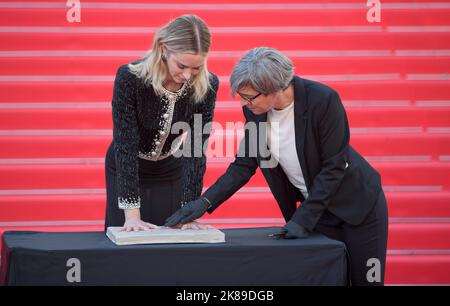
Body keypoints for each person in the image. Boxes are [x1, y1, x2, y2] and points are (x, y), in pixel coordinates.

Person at [165, 47, 389, 286]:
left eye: (249, 97)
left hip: (358, 207)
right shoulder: (255, 111)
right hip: (317, 211)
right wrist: (204, 203)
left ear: (275, 88)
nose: (244, 103)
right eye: (241, 96)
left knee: (368, 282)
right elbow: (244, 164)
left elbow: (334, 167)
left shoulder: (323, 100)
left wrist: (302, 219)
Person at [105, 15, 219, 232]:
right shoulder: (130, 78)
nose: (188, 75)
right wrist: (131, 216)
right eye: (182, 65)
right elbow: (125, 144)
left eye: (196, 68)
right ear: (164, 49)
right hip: (127, 165)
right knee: (126, 241)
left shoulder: (208, 85)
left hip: (170, 169)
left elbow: (195, 150)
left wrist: (190, 210)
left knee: (171, 240)